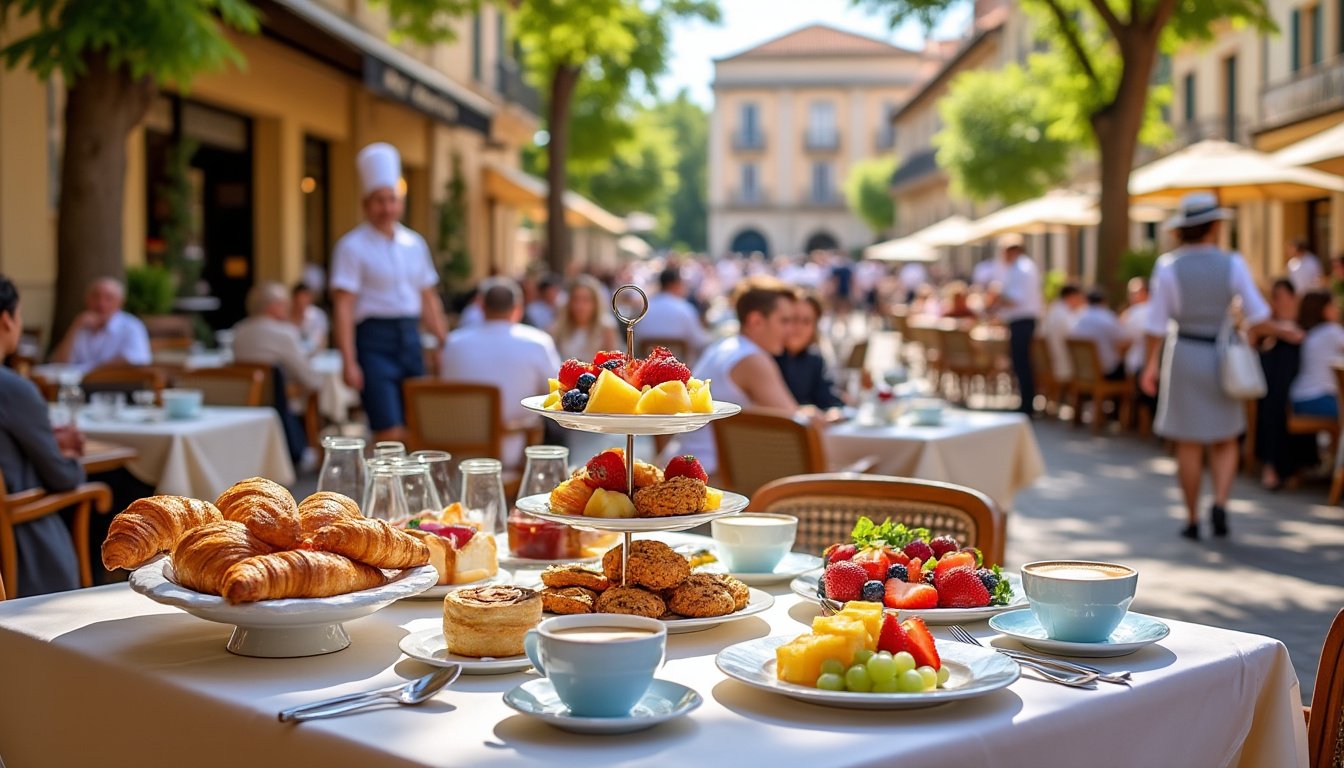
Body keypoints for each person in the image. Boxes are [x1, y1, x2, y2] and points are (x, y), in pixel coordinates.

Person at [1140, 192, 1271, 540]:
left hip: (1183, 353)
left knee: (1188, 442)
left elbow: (1155, 324)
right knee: (1226, 437)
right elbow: (1259, 312)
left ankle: (1193, 517)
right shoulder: (1233, 263)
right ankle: (1222, 503)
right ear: (1214, 226)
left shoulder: (1167, 266)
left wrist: (1150, 365)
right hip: (1221, 355)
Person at [330, 142, 448, 442]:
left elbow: (427, 297)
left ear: (400, 202)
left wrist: (444, 342)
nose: (387, 208)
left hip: (410, 338)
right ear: (366, 204)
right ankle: (386, 489)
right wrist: (349, 360)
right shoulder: (351, 246)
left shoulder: (415, 243)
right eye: (379, 200)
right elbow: (343, 306)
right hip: (373, 341)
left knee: (417, 424)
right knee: (388, 428)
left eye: (392, 200)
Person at [0, 275, 87, 597]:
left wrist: (46, 441)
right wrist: (72, 457)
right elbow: (63, 478)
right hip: (16, 546)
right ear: (7, 320)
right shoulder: (14, 388)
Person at [670, 277, 803, 475]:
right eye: (784, 321)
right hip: (714, 475)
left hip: (687, 461)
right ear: (756, 321)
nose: (791, 330)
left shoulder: (725, 346)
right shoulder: (752, 359)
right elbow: (797, 422)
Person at [439, 278, 561, 468]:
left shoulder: (454, 343)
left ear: (481, 307)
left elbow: (446, 386)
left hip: (457, 451)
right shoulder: (537, 342)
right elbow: (556, 392)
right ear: (518, 309)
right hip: (513, 452)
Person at [1250, 279, 1313, 490]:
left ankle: (1282, 466)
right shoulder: (1269, 321)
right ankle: (1273, 465)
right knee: (1272, 403)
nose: (1278, 302)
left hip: (1300, 383)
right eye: (1275, 298)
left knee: (1275, 402)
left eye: (1281, 296)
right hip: (1274, 384)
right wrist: (1281, 330)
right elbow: (1251, 333)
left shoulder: (1307, 318)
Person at [986, 234, 1044, 415]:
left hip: (1022, 322)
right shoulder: (1018, 268)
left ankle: (1027, 404)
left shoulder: (1021, 269)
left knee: (1022, 363)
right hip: (1020, 321)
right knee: (1020, 363)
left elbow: (1015, 299)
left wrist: (997, 297)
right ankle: (1026, 402)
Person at [49, 277, 151, 371]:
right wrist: (75, 326)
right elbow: (58, 362)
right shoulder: (82, 325)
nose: (101, 303)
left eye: (108, 298)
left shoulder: (131, 326)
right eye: (95, 297)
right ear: (86, 299)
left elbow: (135, 361)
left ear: (120, 302)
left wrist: (89, 370)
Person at [775, 291, 844, 409]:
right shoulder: (765, 357)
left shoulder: (814, 359)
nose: (798, 327)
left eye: (806, 321)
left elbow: (828, 400)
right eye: (793, 319)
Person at [1288, 289, 1344, 419]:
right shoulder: (1331, 331)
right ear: (1324, 309)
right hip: (1317, 398)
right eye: (1333, 305)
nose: (1337, 309)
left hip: (1300, 398)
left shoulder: (1313, 333)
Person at [637, 266, 711, 354]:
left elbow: (637, 340)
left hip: (647, 364)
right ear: (673, 284)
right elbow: (699, 342)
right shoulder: (685, 309)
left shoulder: (645, 308)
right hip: (681, 365)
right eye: (682, 284)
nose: (684, 287)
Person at [550, 274, 617, 362]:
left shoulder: (606, 327)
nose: (580, 306)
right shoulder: (557, 328)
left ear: (595, 303)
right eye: (576, 299)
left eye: (586, 300)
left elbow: (612, 362)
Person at [1069, 289, 1127, 380]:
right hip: (1106, 372)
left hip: (1082, 372)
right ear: (1104, 301)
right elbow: (1122, 342)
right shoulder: (1108, 318)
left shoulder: (1078, 318)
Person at [1041, 283, 1084, 382]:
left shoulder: (1053, 312)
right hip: (1064, 365)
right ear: (1072, 297)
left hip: (1050, 364)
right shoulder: (1064, 315)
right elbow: (1076, 337)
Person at [291, 282, 329, 351]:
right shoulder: (287, 315)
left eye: (304, 299)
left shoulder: (319, 315)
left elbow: (320, 341)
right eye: (299, 300)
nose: (301, 302)